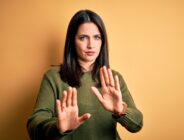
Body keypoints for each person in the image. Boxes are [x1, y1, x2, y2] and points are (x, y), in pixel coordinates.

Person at [27, 9, 143, 140]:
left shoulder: (113, 79)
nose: (91, 45)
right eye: (83, 38)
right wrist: (57, 127)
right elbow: (33, 126)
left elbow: (137, 125)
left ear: (102, 41)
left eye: (97, 37)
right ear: (72, 41)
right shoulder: (53, 77)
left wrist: (121, 111)